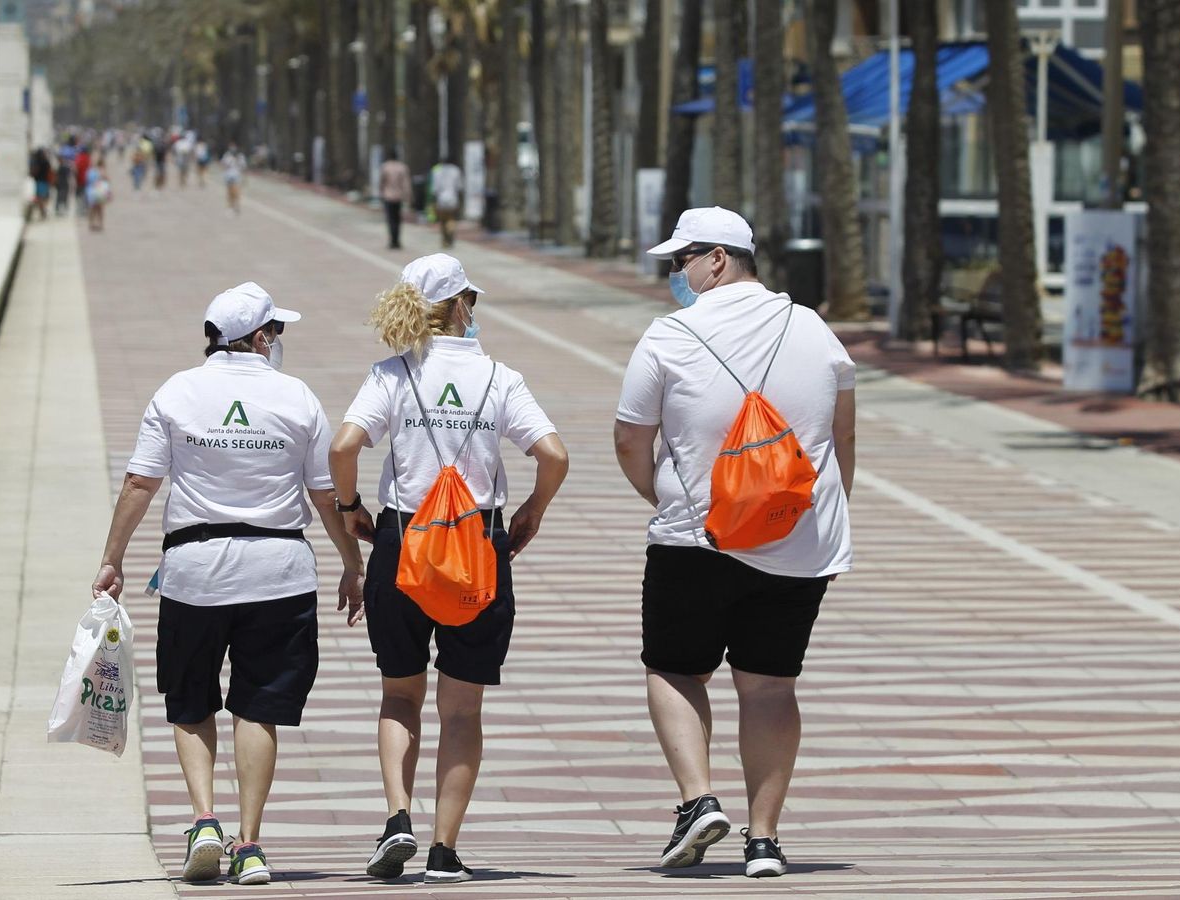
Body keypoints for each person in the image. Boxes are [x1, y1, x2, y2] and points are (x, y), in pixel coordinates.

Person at [93, 282, 364, 886]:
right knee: (258, 707)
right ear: (261, 336)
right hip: (279, 572)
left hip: (194, 573)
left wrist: (112, 560)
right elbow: (324, 496)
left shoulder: (178, 390)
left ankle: (204, 821)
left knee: (190, 700)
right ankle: (250, 845)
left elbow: (141, 484)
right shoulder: (296, 397)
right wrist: (352, 563)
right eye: (278, 331)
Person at [614, 207, 855, 879]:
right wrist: (823, 525)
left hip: (697, 536)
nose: (675, 275)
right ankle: (765, 841)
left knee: (673, 668)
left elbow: (632, 436)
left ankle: (697, 801)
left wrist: (657, 494)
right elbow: (842, 438)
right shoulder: (815, 328)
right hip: (796, 541)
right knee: (772, 687)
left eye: (680, 261)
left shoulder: (670, 334)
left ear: (717, 259)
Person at [329, 254, 569, 884]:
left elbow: (343, 446)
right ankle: (443, 849)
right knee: (462, 710)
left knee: (398, 693)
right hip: (477, 546)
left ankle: (397, 817)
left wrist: (352, 506)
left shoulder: (392, 374)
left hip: (403, 543)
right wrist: (532, 512)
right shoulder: (501, 379)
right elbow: (554, 454)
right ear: (462, 305)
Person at [379, 149, 411, 250]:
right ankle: (397, 240)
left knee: (390, 219)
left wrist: (381, 192)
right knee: (397, 219)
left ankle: (392, 240)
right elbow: (406, 183)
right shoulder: (402, 167)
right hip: (399, 196)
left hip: (388, 196)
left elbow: (381, 181)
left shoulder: (385, 167)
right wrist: (408, 195)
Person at [429, 156, 463, 248]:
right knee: (451, 219)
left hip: (441, 199)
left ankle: (445, 240)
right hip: (453, 198)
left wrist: (434, 202)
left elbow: (434, 189)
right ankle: (450, 234)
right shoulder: (456, 170)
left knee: (443, 221)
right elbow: (459, 187)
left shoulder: (437, 171)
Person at [222, 142, 248, 214]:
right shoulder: (227, 155)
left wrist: (245, 178)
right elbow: (223, 165)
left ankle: (237, 206)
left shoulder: (240, 156)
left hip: (237, 176)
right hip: (228, 176)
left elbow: (244, 167)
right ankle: (230, 206)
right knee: (229, 192)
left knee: (236, 192)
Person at [29, 147, 53, 220]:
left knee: (40, 197)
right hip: (44, 182)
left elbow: (33, 172)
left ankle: (42, 211)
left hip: (39, 182)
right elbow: (50, 171)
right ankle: (43, 211)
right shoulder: (45, 162)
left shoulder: (37, 162)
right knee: (43, 197)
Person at [55, 135, 77, 215]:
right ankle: (62, 207)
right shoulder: (71, 150)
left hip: (66, 171)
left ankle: (61, 207)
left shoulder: (66, 149)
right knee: (64, 190)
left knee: (63, 191)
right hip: (66, 172)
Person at [85, 162, 109, 232]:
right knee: (97, 209)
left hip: (96, 192)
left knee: (96, 209)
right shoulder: (93, 172)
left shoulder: (91, 171)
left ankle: (95, 224)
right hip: (96, 192)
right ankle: (96, 224)